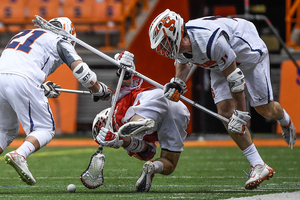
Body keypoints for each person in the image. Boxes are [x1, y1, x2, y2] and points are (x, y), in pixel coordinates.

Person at [148, 9, 297, 189]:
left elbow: (235, 79)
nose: (163, 48)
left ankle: (284, 119)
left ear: (176, 33)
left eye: (165, 42)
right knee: (225, 113)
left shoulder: (210, 41)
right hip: (218, 61)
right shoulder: (182, 42)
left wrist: (242, 114)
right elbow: (184, 60)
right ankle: (258, 165)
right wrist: (178, 83)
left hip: (248, 53)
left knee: (264, 109)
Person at [0, 17, 112, 186]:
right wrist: (99, 90)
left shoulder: (22, 34)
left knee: (5, 130)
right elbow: (83, 72)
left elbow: (16, 66)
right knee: (45, 128)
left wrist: (42, 86)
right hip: (24, 79)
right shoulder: (60, 40)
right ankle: (20, 154)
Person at [92, 51, 190, 192]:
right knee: (169, 163)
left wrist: (123, 66)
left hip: (152, 105)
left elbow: (148, 151)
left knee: (169, 163)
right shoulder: (117, 99)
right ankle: (152, 166)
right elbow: (148, 151)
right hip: (171, 105)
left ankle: (139, 122)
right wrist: (124, 65)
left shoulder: (116, 101)